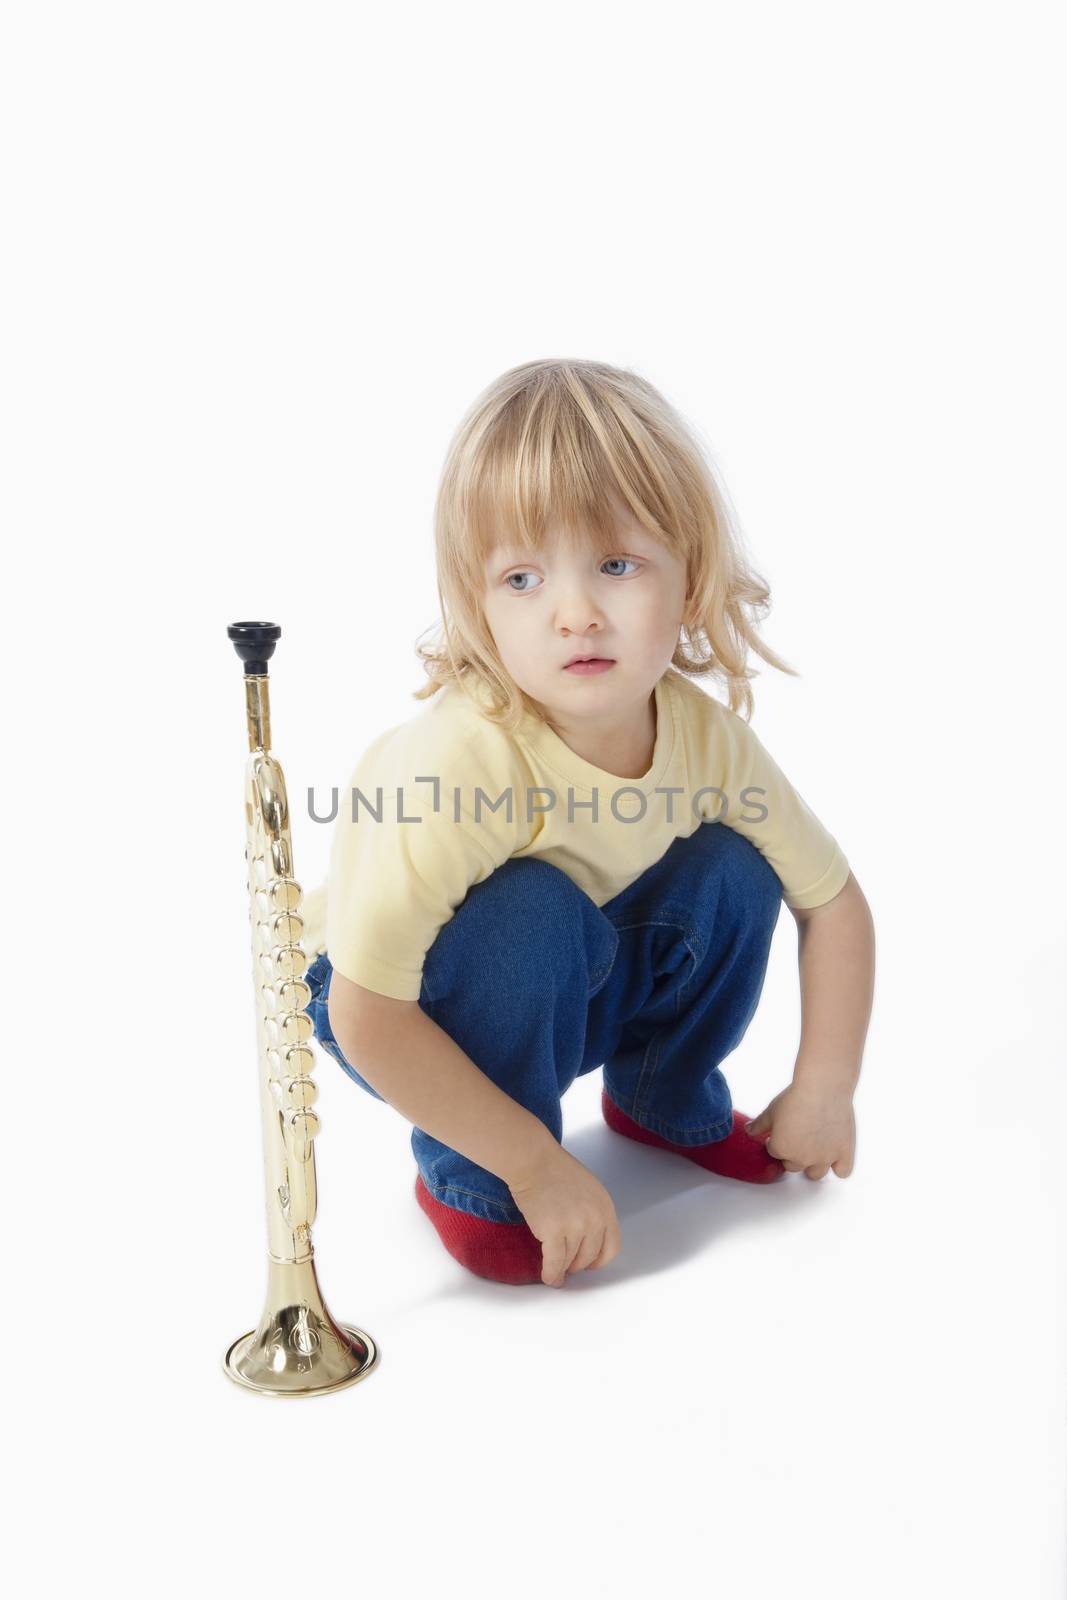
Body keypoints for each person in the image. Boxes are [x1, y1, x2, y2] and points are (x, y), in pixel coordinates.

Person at [300, 358, 876, 1289]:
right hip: (382, 1002)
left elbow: (834, 904)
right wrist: (533, 1164)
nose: (575, 614)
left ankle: (661, 1097)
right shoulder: (460, 763)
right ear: (478, 609)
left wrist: (824, 1086)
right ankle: (476, 1178)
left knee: (734, 866)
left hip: (574, 955)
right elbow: (367, 1013)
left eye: (616, 564)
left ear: (688, 581)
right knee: (530, 907)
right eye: (521, 578)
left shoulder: (702, 738)